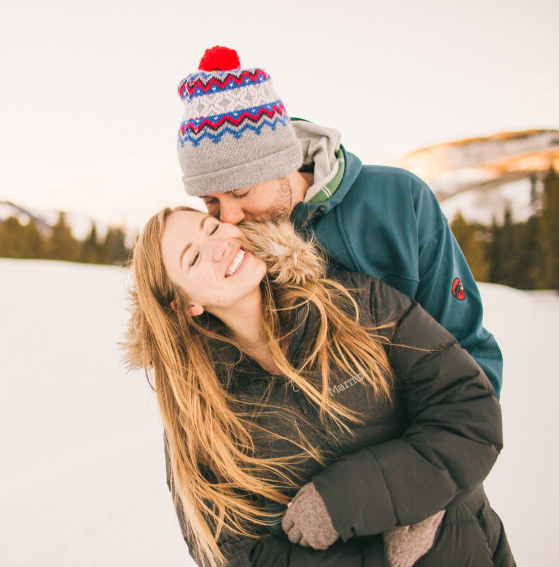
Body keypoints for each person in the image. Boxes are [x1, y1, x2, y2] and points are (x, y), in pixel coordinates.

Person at [124, 206, 513, 567]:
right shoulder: (198, 408)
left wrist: (349, 498)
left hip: (467, 551)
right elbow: (229, 552)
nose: (220, 245)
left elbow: (471, 418)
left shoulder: (357, 304)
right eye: (192, 258)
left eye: (212, 227)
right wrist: (377, 561)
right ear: (185, 304)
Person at [174, 46, 503, 396]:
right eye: (210, 201)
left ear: (284, 163)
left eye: (241, 193)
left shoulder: (399, 199)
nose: (229, 219)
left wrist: (444, 443)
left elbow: (470, 357)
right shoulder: (233, 258)